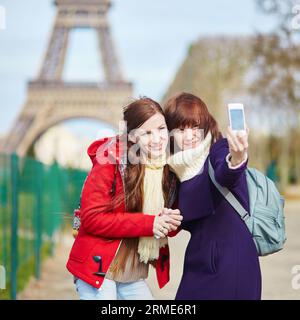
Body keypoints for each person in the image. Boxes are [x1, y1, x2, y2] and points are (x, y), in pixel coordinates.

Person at [66, 97, 182, 300]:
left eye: (161, 128)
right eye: (147, 133)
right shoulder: (110, 160)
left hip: (131, 272)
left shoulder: (166, 169)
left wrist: (168, 220)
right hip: (99, 269)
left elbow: (168, 232)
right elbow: (92, 219)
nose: (157, 138)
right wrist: (150, 223)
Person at [164, 92, 262, 300]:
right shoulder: (175, 168)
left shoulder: (219, 149)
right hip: (198, 260)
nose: (189, 135)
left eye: (195, 127)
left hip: (230, 261)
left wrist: (237, 157)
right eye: (181, 129)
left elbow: (226, 173)